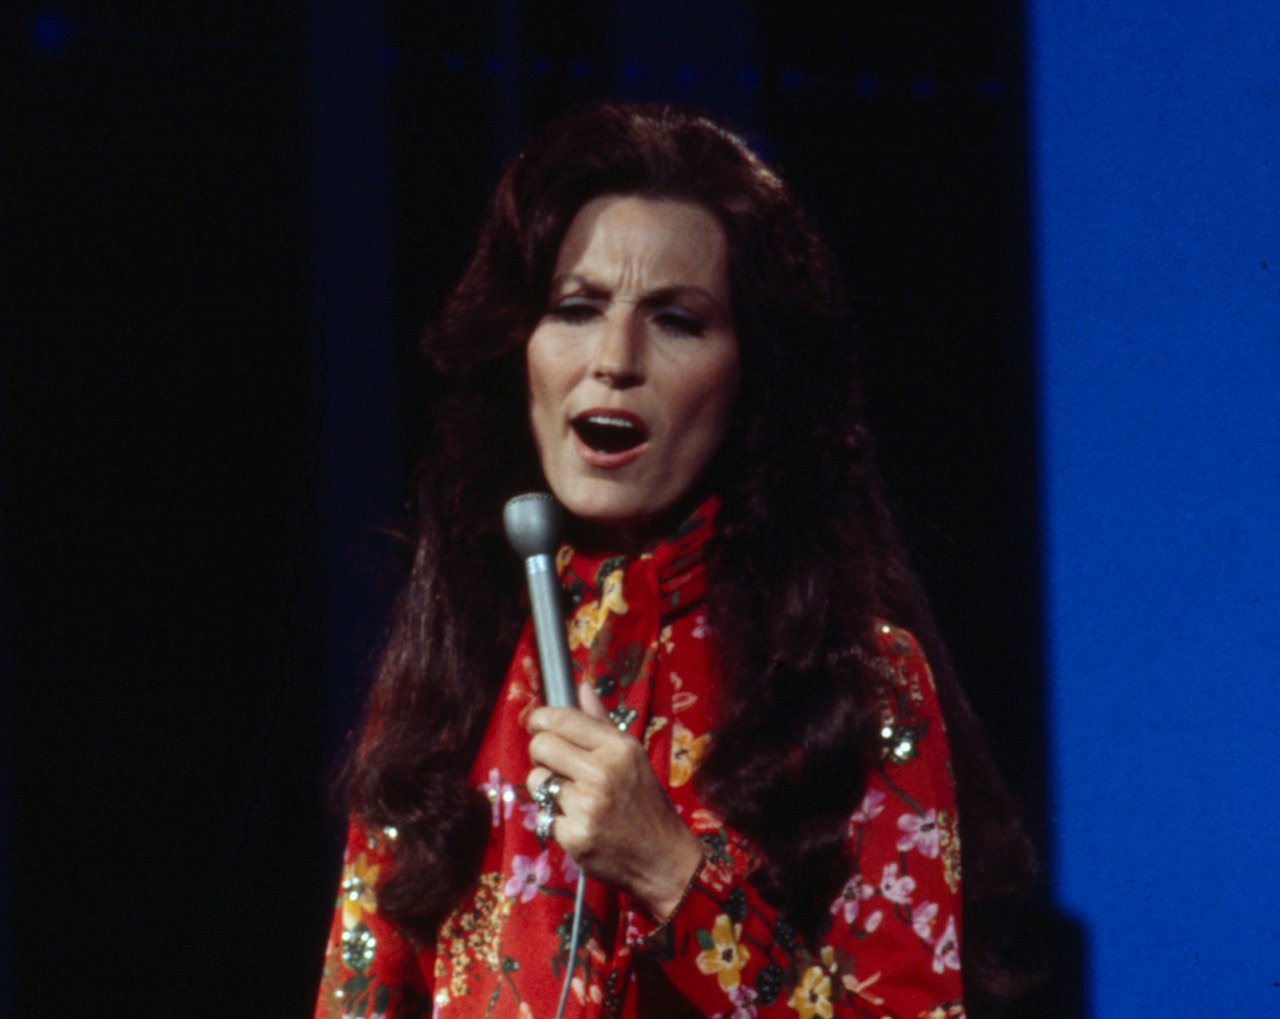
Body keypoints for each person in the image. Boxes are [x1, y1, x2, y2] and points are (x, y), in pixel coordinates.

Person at [315, 102, 1033, 1019]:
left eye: (678, 321)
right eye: (575, 309)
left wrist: (671, 872)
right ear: (520, 350)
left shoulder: (856, 685)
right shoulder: (443, 685)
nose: (614, 359)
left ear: (752, 377)